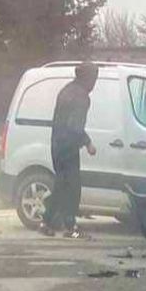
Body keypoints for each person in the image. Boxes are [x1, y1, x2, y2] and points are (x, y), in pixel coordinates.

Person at [40, 62, 99, 239]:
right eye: (94, 78)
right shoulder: (82, 97)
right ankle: (70, 226)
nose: (94, 83)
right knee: (72, 187)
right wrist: (88, 143)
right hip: (69, 146)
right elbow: (75, 126)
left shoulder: (66, 90)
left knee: (61, 185)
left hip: (56, 144)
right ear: (87, 78)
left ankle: (47, 222)